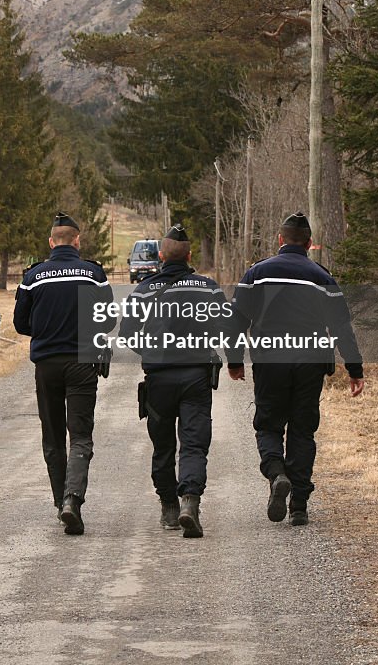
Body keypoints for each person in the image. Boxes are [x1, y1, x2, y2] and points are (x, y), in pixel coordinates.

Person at [228, 212, 364, 526]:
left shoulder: (257, 274)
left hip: (270, 360)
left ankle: (277, 475)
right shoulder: (322, 277)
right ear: (310, 243)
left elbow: (236, 322)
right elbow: (342, 327)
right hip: (310, 362)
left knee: (268, 424)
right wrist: (355, 370)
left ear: (280, 240)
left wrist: (235, 361)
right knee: (303, 430)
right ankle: (299, 505)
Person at [119, 223, 235, 538]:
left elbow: (127, 334)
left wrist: (153, 351)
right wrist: (233, 359)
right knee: (194, 444)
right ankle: (190, 503)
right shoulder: (208, 288)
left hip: (157, 380)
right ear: (190, 255)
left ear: (159, 255)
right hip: (196, 377)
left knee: (163, 446)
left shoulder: (144, 289)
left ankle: (169, 507)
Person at [13, 211, 113, 536]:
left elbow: (20, 323)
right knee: (81, 435)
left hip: (46, 366)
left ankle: (61, 505)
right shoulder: (93, 274)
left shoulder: (33, 277)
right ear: (78, 241)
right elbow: (108, 319)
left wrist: (45, 332)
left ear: (51, 242)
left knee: (53, 437)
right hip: (83, 362)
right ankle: (73, 500)